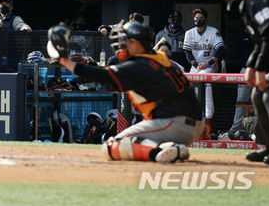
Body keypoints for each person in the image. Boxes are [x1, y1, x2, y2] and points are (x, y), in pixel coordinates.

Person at [47, 20, 205, 162]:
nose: (121, 44)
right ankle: (170, 147)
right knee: (139, 136)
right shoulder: (161, 59)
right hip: (192, 123)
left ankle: (158, 153)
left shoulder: (138, 64)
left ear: (136, 44)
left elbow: (101, 75)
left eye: (125, 41)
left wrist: (65, 62)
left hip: (174, 123)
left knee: (112, 146)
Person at [213, 0, 269, 163]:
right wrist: (250, 66)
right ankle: (268, 147)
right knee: (257, 95)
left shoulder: (258, 0)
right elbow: (259, 42)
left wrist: (259, 68)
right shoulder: (246, 3)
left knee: (268, 96)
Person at [182, 7, 225, 121]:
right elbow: (187, 52)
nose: (198, 20)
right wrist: (196, 65)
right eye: (196, 18)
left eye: (201, 18)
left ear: (206, 19)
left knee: (205, 78)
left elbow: (220, 49)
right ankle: (193, 111)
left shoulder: (213, 31)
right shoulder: (189, 33)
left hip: (210, 63)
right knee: (191, 81)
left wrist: (209, 63)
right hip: (197, 64)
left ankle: (208, 113)